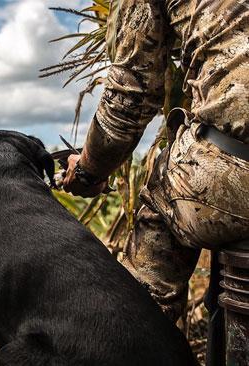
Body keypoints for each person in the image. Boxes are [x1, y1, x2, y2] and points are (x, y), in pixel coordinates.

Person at [62, 0, 249, 323]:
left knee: (161, 206)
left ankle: (136, 335)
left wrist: (87, 171)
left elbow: (128, 100)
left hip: (234, 170)